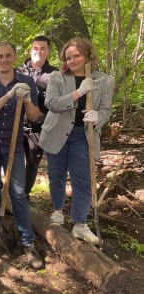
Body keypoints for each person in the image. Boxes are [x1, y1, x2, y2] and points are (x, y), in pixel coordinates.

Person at [38, 37, 113, 244]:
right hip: (56, 133)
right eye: (68, 57)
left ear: (88, 55)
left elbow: (106, 110)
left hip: (83, 136)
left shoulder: (104, 80)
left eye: (77, 56)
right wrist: (78, 93)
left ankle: (79, 223)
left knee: (82, 180)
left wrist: (98, 117)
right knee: (56, 175)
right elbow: (51, 103)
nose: (72, 61)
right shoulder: (57, 78)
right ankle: (57, 210)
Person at [0, 42, 43, 269]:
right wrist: (9, 95)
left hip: (13, 145)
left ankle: (28, 243)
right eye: (0, 56)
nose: (4, 60)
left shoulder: (27, 83)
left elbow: (34, 117)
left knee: (17, 192)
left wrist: (25, 100)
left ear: (15, 57)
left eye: (8, 55)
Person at [17, 36, 57, 199]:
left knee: (32, 163)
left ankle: (24, 194)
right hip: (16, 126)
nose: (38, 51)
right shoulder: (18, 72)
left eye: (43, 48)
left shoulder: (55, 75)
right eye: (35, 48)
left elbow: (55, 104)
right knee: (13, 160)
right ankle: (14, 191)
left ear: (48, 52)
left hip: (39, 128)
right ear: (30, 50)